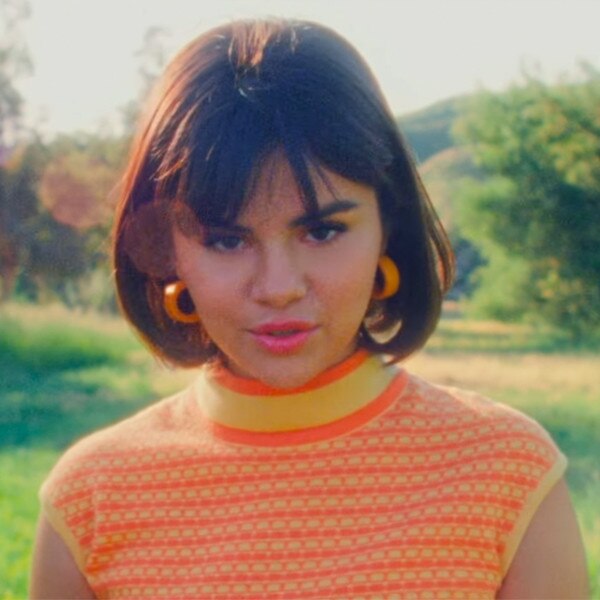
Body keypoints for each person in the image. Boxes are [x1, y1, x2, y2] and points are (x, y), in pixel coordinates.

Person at [30, 19, 588, 599]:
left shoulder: (506, 473)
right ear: (168, 252)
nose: (279, 288)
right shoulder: (91, 501)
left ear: (386, 228)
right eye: (227, 240)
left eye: (322, 231)